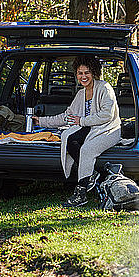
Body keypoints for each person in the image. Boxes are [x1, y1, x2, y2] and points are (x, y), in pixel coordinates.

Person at [33, 55, 121, 208]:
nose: (83, 76)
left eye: (86, 72)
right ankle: (91, 174)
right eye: (80, 73)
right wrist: (41, 121)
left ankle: (81, 194)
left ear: (93, 72)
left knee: (87, 149)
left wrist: (82, 121)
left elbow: (107, 115)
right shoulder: (80, 94)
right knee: (69, 139)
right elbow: (66, 117)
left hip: (109, 129)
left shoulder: (105, 88)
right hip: (90, 128)